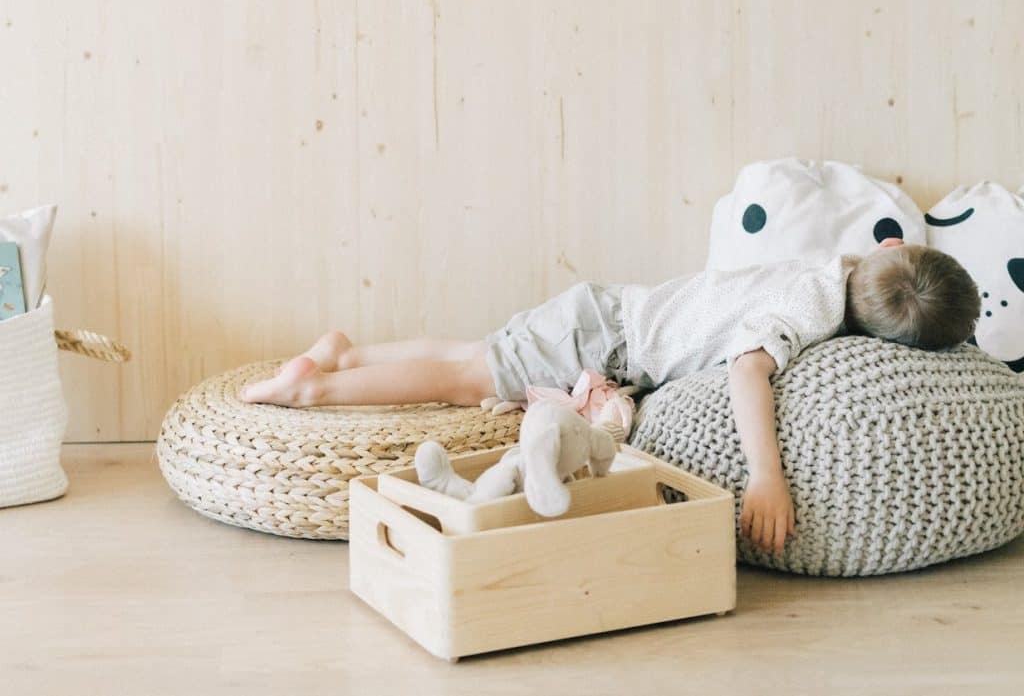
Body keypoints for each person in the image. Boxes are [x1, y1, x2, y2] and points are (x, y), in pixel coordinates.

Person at [240, 238, 980, 553]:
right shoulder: (810, 311)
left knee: (477, 354)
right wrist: (766, 473)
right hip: (607, 337)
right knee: (467, 379)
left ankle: (346, 352)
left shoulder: (839, 261)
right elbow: (748, 369)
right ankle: (318, 386)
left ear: (888, 250)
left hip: (608, 314)